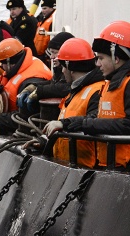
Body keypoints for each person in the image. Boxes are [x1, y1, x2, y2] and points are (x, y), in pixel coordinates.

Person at [44, 21, 130, 169]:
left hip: (123, 168)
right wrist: (66, 124)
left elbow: (127, 125)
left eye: (101, 58)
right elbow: (98, 118)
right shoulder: (110, 85)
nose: (97, 64)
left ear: (116, 58)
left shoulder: (125, 84)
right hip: (110, 165)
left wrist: (81, 124)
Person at [43, 38, 104, 166]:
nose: (62, 71)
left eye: (63, 67)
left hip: (86, 168)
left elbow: (94, 120)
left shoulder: (97, 91)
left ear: (70, 67)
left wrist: (64, 124)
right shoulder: (77, 89)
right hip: (68, 164)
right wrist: (44, 141)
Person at [0, 38, 52, 135]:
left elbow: (24, 118)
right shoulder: (23, 65)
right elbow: (2, 86)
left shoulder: (30, 83)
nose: (1, 66)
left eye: (2, 63)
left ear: (9, 62)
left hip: (26, 128)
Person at [17, 31, 74, 114]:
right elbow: (53, 83)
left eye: (55, 53)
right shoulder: (59, 70)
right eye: (51, 53)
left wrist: (40, 91)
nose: (51, 57)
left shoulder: (72, 73)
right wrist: (33, 86)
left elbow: (66, 88)